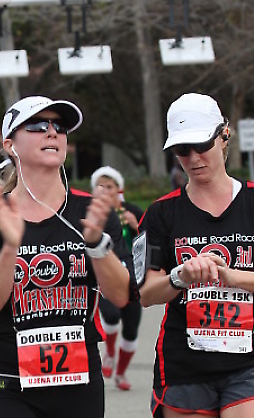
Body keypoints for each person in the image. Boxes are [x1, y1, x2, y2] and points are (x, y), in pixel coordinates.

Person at [0, 95, 136, 418]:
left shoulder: (92, 211)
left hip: (78, 380)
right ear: (10, 145)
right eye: (37, 125)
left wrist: (97, 245)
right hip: (5, 381)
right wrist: (10, 247)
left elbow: (121, 296)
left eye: (59, 126)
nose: (52, 132)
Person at [138, 93, 254, 418]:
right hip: (183, 367)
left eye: (202, 145)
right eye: (183, 150)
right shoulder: (160, 213)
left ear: (224, 136)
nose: (194, 158)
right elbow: (145, 294)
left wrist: (231, 276)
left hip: (249, 363)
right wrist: (179, 277)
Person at [90, 166, 144, 391]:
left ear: (118, 189)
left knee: (131, 330)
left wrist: (136, 226)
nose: (104, 190)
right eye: (100, 186)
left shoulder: (132, 211)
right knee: (111, 316)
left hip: (132, 273)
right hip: (104, 273)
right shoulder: (91, 212)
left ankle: (121, 373)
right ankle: (110, 352)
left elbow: (150, 241)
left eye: (109, 186)